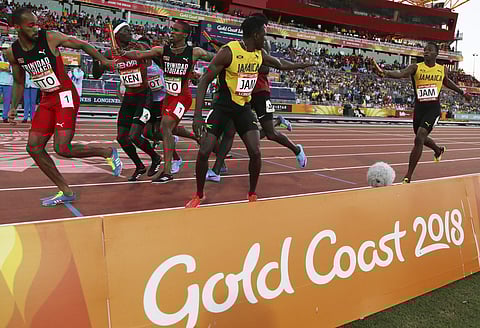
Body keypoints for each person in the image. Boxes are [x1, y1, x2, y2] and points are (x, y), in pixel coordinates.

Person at [186, 14, 315, 208]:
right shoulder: (228, 52)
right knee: (204, 150)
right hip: (223, 107)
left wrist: (303, 65)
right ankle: (199, 194)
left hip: (243, 108)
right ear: (255, 34)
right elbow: (204, 80)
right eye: (264, 33)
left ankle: (252, 194)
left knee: (255, 152)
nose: (266, 37)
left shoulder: (258, 53)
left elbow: (280, 64)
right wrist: (197, 117)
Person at [6, 7, 122, 206]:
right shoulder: (13, 52)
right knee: (33, 147)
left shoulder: (50, 37)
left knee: (62, 148)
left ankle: (107, 152)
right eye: (31, 25)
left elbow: (83, 44)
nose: (36, 28)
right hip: (47, 99)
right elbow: (18, 82)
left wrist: (104, 60)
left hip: (66, 95)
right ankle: (65, 190)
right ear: (17, 27)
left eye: (37, 24)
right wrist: (13, 107)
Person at [119, 20, 216, 183]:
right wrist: (121, 52)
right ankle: (198, 139)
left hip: (182, 98)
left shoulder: (195, 52)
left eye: (176, 31)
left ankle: (167, 171)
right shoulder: (161, 50)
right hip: (168, 97)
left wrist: (206, 74)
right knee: (165, 130)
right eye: (171, 30)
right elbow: (138, 55)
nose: (171, 32)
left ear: (185, 35)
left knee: (165, 126)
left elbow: (217, 59)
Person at [372, 42, 472, 183]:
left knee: (419, 137)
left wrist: (463, 92)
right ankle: (438, 150)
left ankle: (408, 176)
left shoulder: (441, 69)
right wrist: (386, 72)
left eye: (429, 50)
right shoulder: (416, 67)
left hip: (433, 109)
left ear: (436, 54)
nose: (426, 52)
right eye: (424, 50)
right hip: (419, 108)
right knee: (420, 138)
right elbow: (401, 74)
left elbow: (447, 82)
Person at [92, 20, 162, 181]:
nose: (130, 32)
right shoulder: (111, 53)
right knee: (122, 137)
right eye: (126, 30)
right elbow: (96, 74)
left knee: (135, 136)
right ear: (116, 35)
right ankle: (139, 166)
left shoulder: (139, 48)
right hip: (129, 98)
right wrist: (97, 58)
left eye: (130, 30)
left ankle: (155, 157)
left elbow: (157, 58)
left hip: (144, 96)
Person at [0, 45, 13, 123]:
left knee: (7, 101)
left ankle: (5, 117)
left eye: (6, 49)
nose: (4, 51)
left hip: (8, 82)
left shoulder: (13, 58)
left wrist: (9, 69)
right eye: (3, 49)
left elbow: (16, 69)